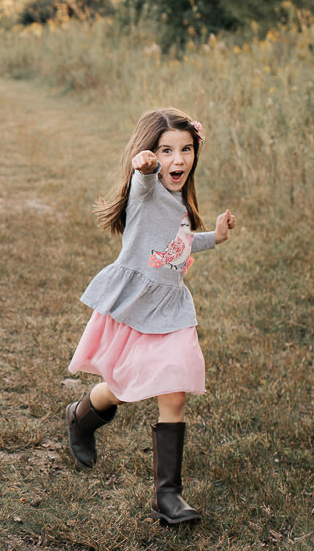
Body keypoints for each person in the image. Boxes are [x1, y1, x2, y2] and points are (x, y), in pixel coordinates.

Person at [65, 108, 237, 526]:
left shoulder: (179, 197)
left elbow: (177, 244)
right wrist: (143, 166)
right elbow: (142, 177)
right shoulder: (145, 190)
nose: (177, 160)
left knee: (174, 387)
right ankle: (81, 416)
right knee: (123, 387)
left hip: (172, 307)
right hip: (139, 307)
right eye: (166, 151)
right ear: (150, 152)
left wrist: (214, 237)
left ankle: (168, 496)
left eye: (186, 150)